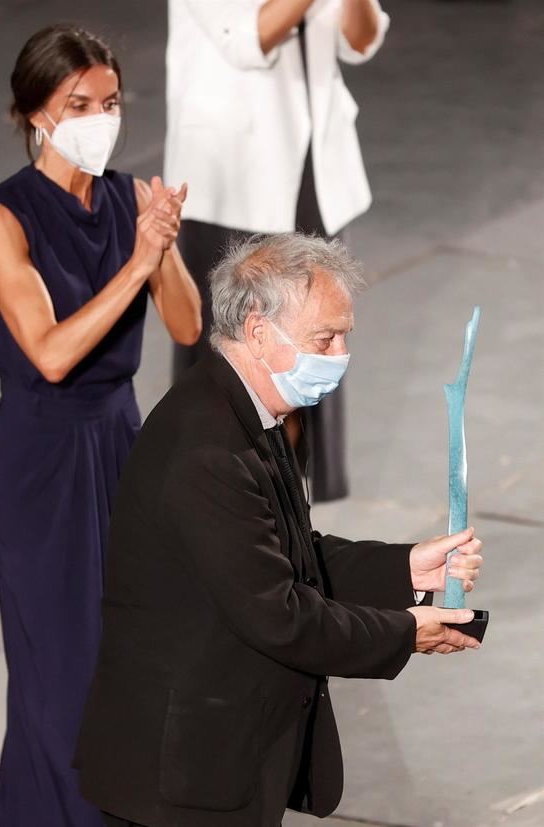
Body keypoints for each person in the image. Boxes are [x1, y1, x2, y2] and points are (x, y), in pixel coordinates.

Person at [75, 233, 484, 827]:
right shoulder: (207, 448)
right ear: (259, 330)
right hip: (181, 780)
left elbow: (285, 553)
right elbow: (280, 613)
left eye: (345, 335)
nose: (341, 353)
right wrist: (406, 631)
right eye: (326, 338)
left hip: (220, 757)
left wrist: (406, 569)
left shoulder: (248, 413)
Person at [0, 24, 201, 827]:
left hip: (120, 442)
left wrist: (161, 247)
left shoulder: (131, 198)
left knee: (129, 658)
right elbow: (51, 354)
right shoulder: (1, 216)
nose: (101, 117)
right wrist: (135, 261)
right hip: (41, 458)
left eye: (110, 102)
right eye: (78, 104)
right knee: (60, 675)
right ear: (35, 112)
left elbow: (188, 326)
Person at [165, 0, 390, 502]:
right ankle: (214, 494)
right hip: (233, 177)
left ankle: (289, 500)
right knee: (236, 354)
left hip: (314, 167)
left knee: (312, 338)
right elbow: (248, 36)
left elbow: (361, 40)